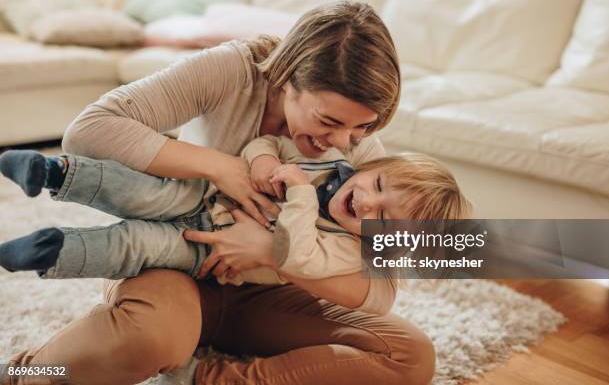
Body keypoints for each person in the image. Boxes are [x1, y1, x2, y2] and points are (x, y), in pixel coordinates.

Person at [4, 1, 438, 385]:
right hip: (173, 260)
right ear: (287, 77)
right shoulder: (233, 70)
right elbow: (88, 132)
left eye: (362, 127)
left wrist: (272, 252)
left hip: (266, 293)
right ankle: (25, 371)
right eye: (328, 121)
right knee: (151, 339)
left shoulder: (358, 153)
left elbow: (382, 290)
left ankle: (210, 379)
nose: (344, 142)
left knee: (410, 355)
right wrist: (221, 167)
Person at [0, 140, 469, 290]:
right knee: (144, 194)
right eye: (379, 185)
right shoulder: (327, 160)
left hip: (208, 253)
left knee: (136, 245)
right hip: (201, 196)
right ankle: (52, 171)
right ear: (372, 167)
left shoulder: (347, 251)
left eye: (383, 221)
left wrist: (302, 198)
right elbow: (265, 142)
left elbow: (298, 255)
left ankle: (50, 251)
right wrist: (264, 161)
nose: (367, 203)